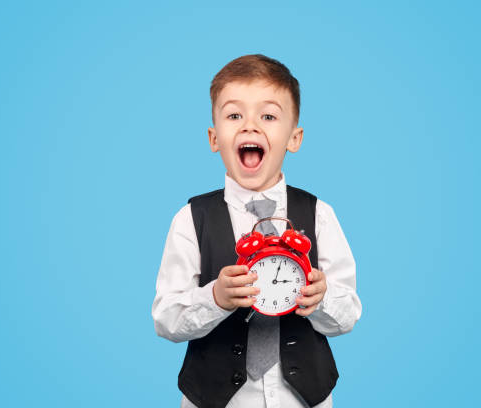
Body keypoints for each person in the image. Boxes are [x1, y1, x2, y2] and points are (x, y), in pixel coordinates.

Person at [151, 54, 362, 408]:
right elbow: (165, 318)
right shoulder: (191, 218)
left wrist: (321, 298)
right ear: (214, 137)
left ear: (294, 138)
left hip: (304, 399)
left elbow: (349, 313)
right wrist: (215, 298)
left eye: (268, 116)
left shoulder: (319, 215)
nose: (250, 127)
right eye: (235, 115)